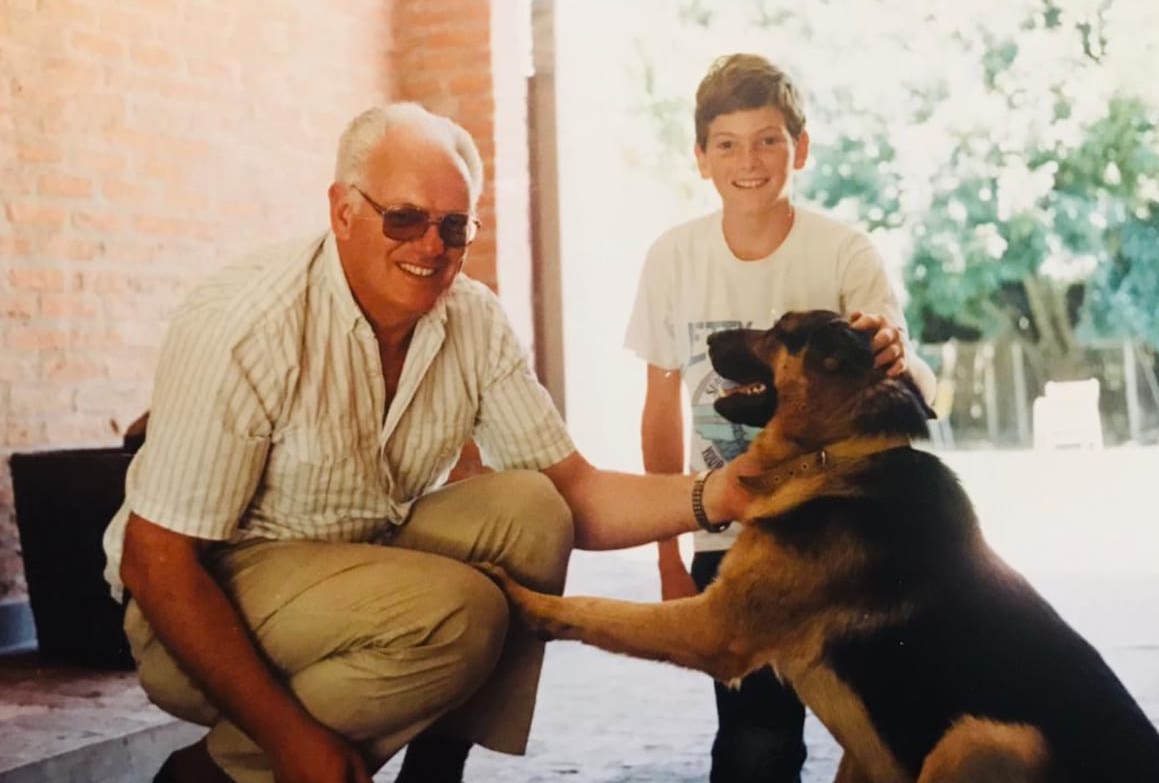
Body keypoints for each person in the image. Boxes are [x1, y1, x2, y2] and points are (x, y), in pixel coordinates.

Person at [102, 102, 755, 783]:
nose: (430, 247)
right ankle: (213, 774)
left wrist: (724, 493)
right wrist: (293, 742)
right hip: (201, 602)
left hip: (358, 559)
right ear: (342, 211)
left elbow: (575, 496)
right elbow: (159, 564)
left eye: (453, 227)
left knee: (530, 509)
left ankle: (434, 773)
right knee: (459, 615)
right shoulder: (246, 323)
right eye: (404, 218)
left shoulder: (470, 317)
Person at [624, 53, 936, 783]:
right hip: (729, 531)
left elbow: (901, 373)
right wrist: (669, 551)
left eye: (768, 139)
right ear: (700, 159)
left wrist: (899, 350)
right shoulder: (673, 258)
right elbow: (659, 406)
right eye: (727, 143)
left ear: (801, 147)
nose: (750, 160)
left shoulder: (845, 252)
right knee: (757, 738)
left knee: (878, 720)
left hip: (840, 531)